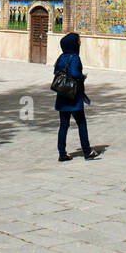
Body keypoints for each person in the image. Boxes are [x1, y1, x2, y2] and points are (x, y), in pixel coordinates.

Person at [53, 32, 99, 162]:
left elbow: (56, 71)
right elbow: (74, 72)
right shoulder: (74, 57)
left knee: (63, 125)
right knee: (81, 123)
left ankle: (62, 153)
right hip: (73, 96)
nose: (80, 43)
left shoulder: (61, 57)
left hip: (62, 94)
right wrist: (81, 76)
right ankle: (87, 151)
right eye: (78, 40)